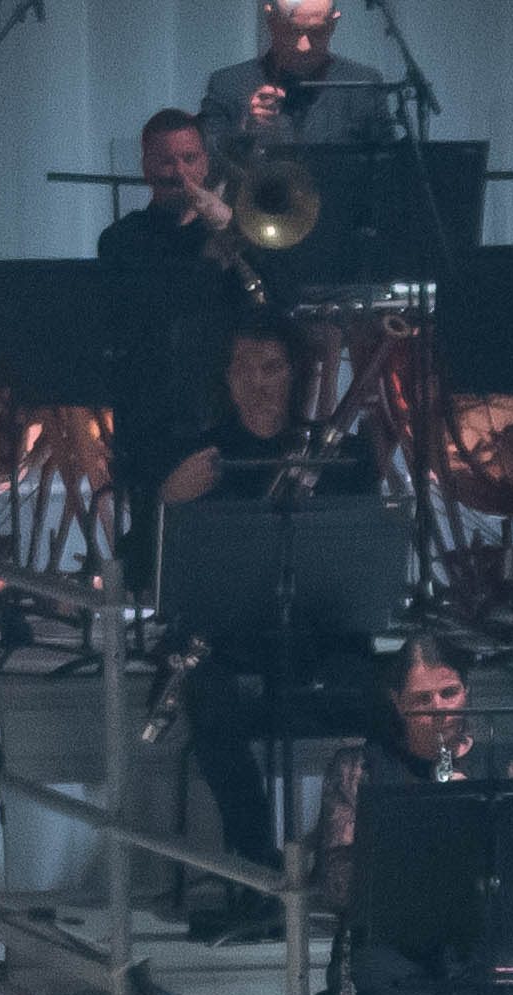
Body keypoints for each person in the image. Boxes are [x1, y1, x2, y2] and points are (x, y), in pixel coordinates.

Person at [155, 321, 372, 869]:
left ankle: (358, 859)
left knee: (383, 694)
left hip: (314, 634)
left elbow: (363, 562)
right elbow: (147, 569)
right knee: (212, 704)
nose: (258, 383)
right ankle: (257, 868)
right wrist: (169, 500)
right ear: (226, 379)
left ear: (295, 374)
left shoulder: (334, 455)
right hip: (224, 642)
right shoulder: (198, 455)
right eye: (243, 370)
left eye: (271, 368)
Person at [318, 640, 504, 995]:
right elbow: (340, 888)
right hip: (389, 939)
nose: (440, 710)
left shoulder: (503, 763)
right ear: (397, 702)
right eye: (423, 700)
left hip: (472, 937)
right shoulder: (360, 767)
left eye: (450, 693)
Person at [94, 111, 255, 514]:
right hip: (153, 417)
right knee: (154, 532)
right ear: (147, 167)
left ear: (206, 163)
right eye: (167, 161)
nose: (180, 172)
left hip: (225, 411)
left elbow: (269, 295)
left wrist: (230, 227)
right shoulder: (122, 238)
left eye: (189, 159)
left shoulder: (229, 230)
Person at [204, 0, 407, 152]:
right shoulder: (228, 85)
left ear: (334, 23)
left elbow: (388, 163)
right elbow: (205, 159)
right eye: (292, 31)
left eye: (317, 32)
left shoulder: (364, 85)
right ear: (271, 21)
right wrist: (245, 131)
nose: (304, 46)